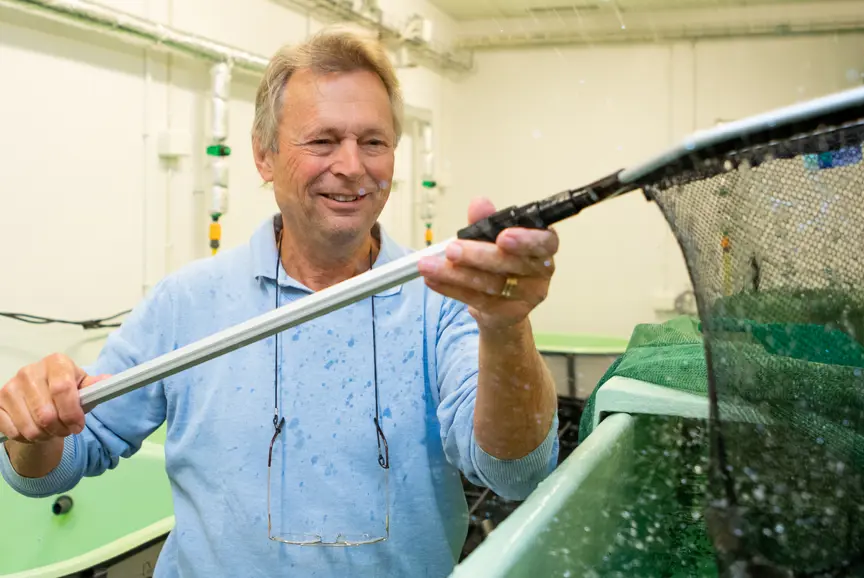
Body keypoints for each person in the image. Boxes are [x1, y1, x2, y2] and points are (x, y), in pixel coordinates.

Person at [0, 26, 560, 578]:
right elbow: (53, 469)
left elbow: (516, 473)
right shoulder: (187, 303)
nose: (352, 166)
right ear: (264, 156)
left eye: (374, 141)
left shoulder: (440, 298)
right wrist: (37, 427)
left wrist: (507, 329)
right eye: (322, 140)